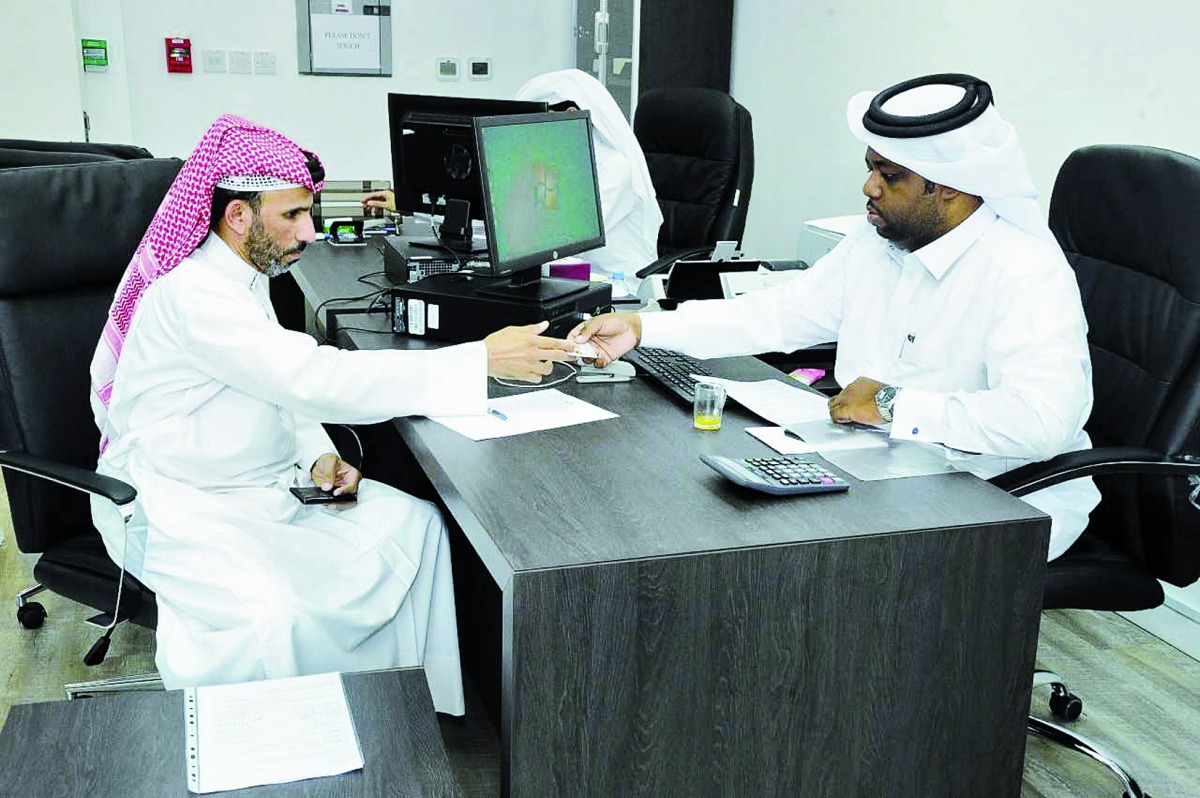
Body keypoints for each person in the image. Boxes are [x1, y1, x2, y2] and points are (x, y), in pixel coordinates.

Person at [87, 114, 575, 712]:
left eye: (308, 213)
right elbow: (311, 377)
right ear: (237, 216)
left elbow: (272, 386)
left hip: (264, 488)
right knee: (279, 616)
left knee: (417, 527)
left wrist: (319, 451)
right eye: (292, 214)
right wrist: (478, 361)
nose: (310, 232)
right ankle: (298, 746)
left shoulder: (244, 275)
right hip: (186, 503)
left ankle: (403, 716)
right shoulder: (195, 297)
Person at [571, 74, 1101, 562]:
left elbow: (1041, 423)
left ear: (951, 187)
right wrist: (645, 328)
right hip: (877, 466)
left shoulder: (1022, 270)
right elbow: (781, 312)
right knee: (707, 515)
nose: (869, 188)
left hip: (995, 492)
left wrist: (894, 404)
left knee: (778, 558)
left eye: (889, 176)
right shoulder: (876, 242)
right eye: (870, 168)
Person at [364, 69, 663, 294]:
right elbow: (507, 216)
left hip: (618, 290)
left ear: (571, 115)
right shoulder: (549, 166)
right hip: (560, 279)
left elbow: (548, 235)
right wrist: (415, 204)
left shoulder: (616, 170)